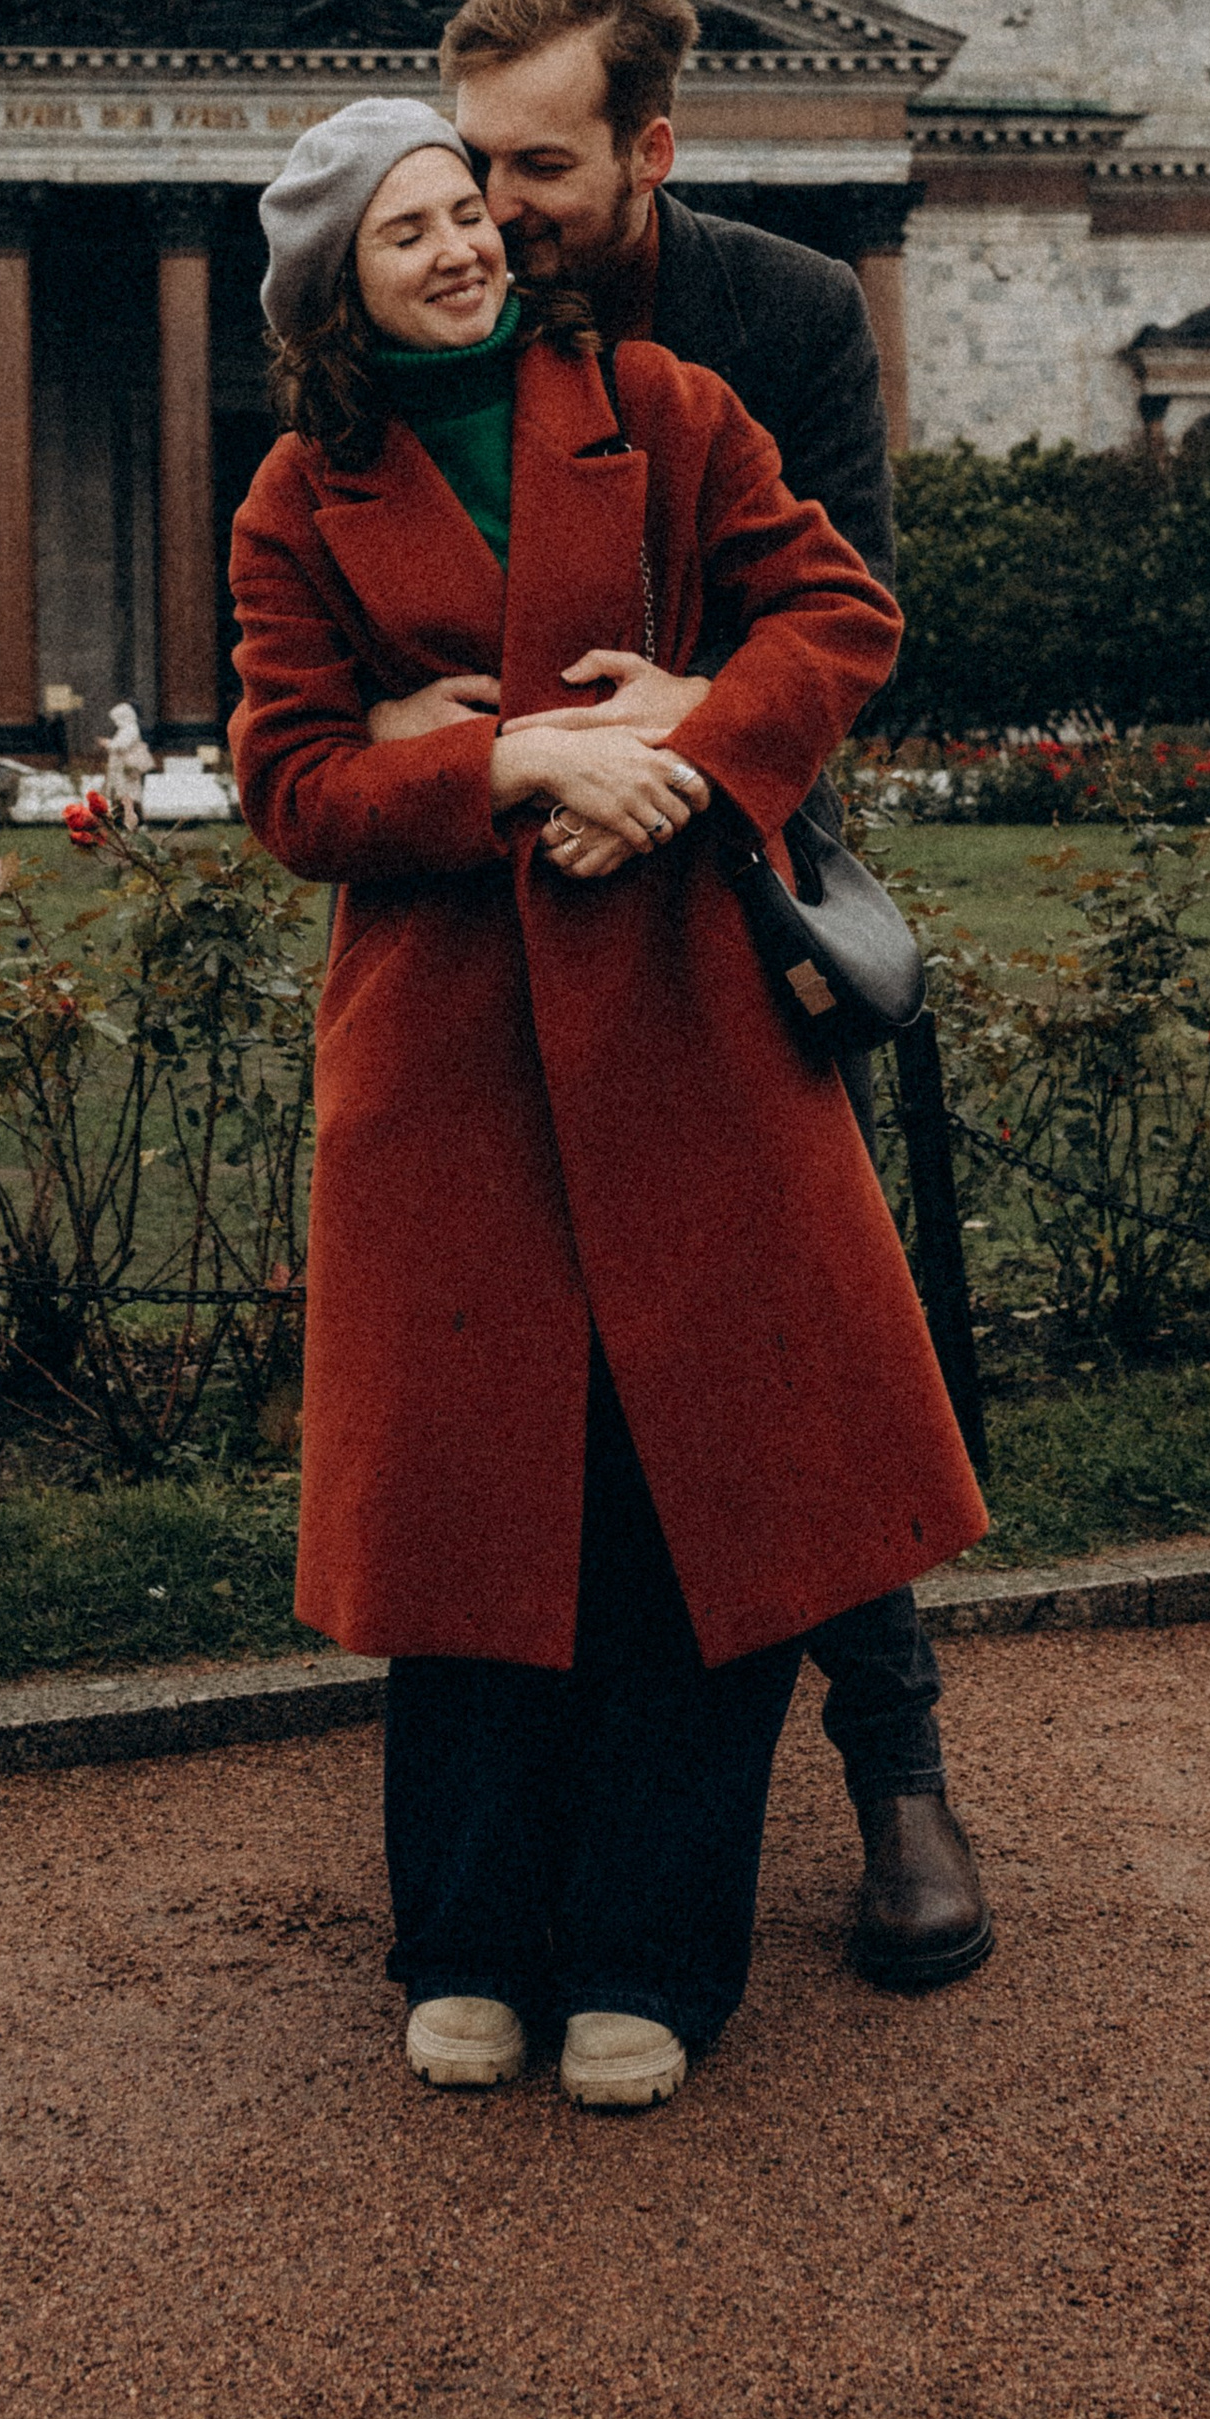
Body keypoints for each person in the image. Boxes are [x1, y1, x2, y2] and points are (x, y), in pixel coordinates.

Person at [229, 101, 987, 2108]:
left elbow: (837, 618)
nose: (463, 249)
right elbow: (290, 788)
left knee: (685, 1503)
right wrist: (502, 773)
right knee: (470, 1517)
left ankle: (654, 1955)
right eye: (407, 235)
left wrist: (691, 729)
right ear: (337, 292)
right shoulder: (298, 500)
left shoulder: (659, 406)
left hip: (679, 1031)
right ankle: (466, 1941)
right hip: (449, 1068)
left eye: (465, 210)